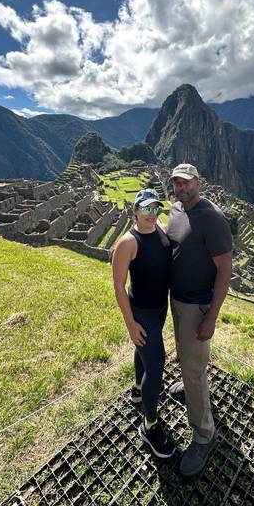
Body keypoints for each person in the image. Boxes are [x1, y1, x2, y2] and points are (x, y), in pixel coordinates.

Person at [166, 164, 233, 476]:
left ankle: (204, 435)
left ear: (198, 182)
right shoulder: (176, 210)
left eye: (186, 182)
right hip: (176, 300)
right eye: (177, 183)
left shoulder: (212, 218)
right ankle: (191, 388)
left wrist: (212, 318)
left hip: (197, 305)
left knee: (194, 368)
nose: (181, 187)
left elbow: (224, 271)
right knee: (187, 359)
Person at [112, 188, 175, 458]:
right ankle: (149, 427)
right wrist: (130, 323)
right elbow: (118, 286)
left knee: (144, 354)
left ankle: (137, 391)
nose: (152, 213)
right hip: (143, 312)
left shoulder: (160, 228)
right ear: (135, 210)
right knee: (157, 364)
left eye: (156, 208)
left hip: (160, 308)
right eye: (146, 208)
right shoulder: (128, 242)